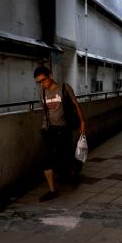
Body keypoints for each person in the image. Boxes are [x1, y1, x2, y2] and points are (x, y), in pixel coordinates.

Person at [33, 66, 86, 202]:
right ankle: (52, 190)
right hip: (48, 129)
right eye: (38, 82)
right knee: (46, 159)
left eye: (43, 80)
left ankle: (75, 168)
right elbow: (45, 112)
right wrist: (44, 128)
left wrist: (82, 123)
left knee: (65, 156)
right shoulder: (42, 92)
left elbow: (75, 105)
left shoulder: (64, 87)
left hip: (63, 129)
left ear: (50, 76)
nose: (42, 83)